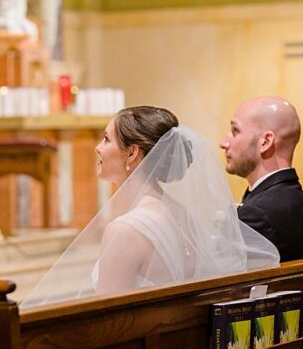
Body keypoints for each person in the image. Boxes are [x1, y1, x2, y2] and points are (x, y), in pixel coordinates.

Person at [22, 106, 279, 308]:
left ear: (132, 153)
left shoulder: (124, 230)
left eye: (106, 139)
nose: (98, 148)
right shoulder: (182, 214)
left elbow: (108, 318)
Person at [222, 96, 303, 262]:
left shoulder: (260, 213)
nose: (224, 143)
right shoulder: (295, 198)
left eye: (235, 131)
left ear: (266, 142)